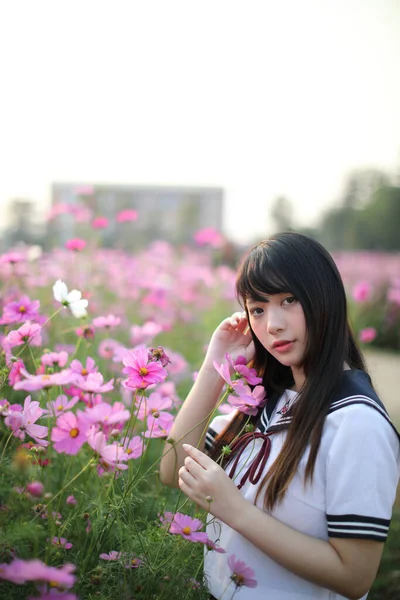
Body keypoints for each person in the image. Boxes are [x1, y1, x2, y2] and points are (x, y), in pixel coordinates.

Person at [159, 232, 400, 600]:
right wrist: (215, 362)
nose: (272, 324)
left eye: (288, 300)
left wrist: (234, 510)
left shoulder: (356, 422)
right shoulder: (265, 403)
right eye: (257, 308)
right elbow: (172, 466)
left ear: (325, 299)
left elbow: (355, 576)